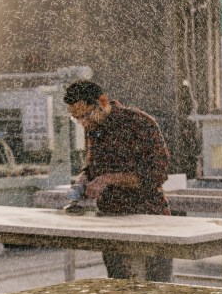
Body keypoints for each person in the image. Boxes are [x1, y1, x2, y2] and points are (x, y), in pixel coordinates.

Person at [63, 80, 173, 282]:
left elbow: (156, 175)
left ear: (103, 101)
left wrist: (108, 179)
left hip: (148, 216)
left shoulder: (140, 123)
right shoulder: (93, 127)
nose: (83, 123)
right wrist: (84, 179)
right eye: (76, 118)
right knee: (120, 291)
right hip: (112, 218)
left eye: (85, 115)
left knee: (158, 291)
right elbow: (93, 165)